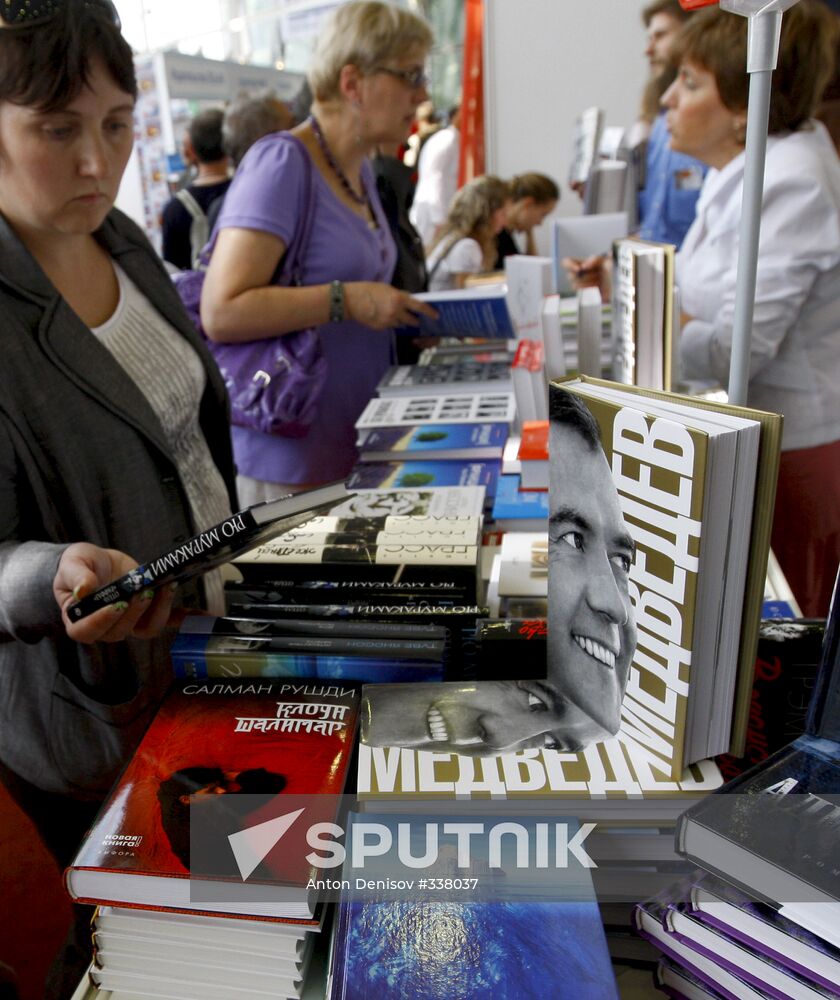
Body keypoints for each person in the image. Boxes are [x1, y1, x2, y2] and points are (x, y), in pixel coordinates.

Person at [0, 1, 237, 994]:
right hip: (92, 718)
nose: (97, 159)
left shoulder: (128, 237)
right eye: (58, 129)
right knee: (178, 954)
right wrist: (50, 573)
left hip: (205, 649)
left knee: (256, 918)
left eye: (116, 122)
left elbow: (187, 421)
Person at [568, 3, 840, 618]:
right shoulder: (738, 171)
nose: (667, 98)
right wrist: (626, 281)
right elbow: (701, 294)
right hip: (762, 444)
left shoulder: (788, 181)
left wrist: (651, 303)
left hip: (789, 459)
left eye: (689, 83)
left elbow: (732, 348)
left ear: (743, 110)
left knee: (777, 642)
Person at [200, 1, 437, 507]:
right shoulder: (282, 162)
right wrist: (345, 300)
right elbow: (222, 311)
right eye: (410, 75)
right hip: (293, 462)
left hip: (360, 441)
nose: (422, 95)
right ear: (353, 83)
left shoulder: (363, 171)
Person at [636, 0, 707, 247]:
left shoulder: (713, 122)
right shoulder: (658, 121)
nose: (648, 50)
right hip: (654, 267)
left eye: (661, 35)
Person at [161, 107, 231, 270]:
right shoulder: (249, 192)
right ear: (230, 144)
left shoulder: (174, 210)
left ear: (191, 150)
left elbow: (172, 272)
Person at [425, 174, 510, 292]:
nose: (505, 221)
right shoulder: (467, 246)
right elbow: (467, 298)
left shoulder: (453, 238)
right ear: (488, 213)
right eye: (503, 213)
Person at [409, 103, 461, 248]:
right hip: (433, 217)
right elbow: (434, 178)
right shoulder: (447, 140)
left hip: (436, 214)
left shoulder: (452, 139)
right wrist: (439, 218)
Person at [493, 171, 560, 269]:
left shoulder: (507, 234)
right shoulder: (495, 234)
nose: (540, 223)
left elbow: (533, 271)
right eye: (542, 215)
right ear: (528, 204)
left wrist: (529, 232)